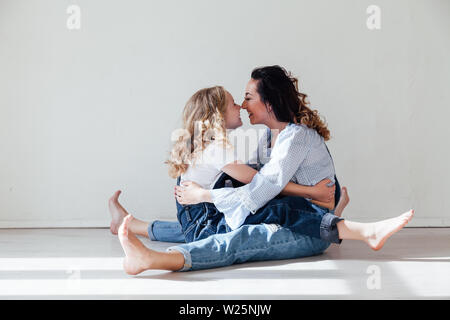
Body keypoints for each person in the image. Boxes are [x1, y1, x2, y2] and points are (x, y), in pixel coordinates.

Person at [110, 66, 413, 274]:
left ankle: (157, 259)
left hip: (304, 228)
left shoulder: (295, 136)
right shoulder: (269, 136)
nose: (242, 105)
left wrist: (207, 194)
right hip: (301, 214)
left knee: (235, 236)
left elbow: (261, 188)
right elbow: (257, 180)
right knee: (219, 221)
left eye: (248, 97)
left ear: (269, 103)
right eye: (238, 100)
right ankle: (134, 225)